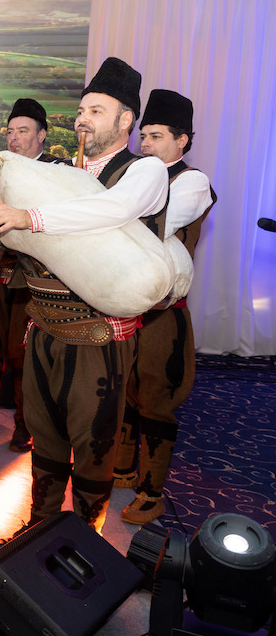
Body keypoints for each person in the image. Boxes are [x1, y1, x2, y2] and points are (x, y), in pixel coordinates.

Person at [0, 57, 168, 537]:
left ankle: (84, 544)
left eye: (97, 111)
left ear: (126, 121)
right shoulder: (58, 171)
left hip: (98, 335)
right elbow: (25, 240)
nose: (83, 119)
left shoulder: (144, 172)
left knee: (93, 444)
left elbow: (112, 209)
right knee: (44, 437)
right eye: (82, 110)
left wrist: (29, 216)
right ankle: (39, 533)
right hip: (43, 324)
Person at [113, 88, 215, 524]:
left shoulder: (192, 181)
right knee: (124, 389)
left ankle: (152, 492)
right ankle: (121, 469)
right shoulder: (137, 175)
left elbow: (155, 225)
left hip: (163, 312)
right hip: (126, 302)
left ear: (182, 140)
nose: (146, 144)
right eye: (144, 136)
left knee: (156, 397)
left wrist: (109, 218)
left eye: (156, 136)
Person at [0, 98, 61, 453]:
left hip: (31, 278)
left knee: (23, 355)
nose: (14, 138)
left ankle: (26, 424)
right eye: (10, 132)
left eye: (23, 131)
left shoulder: (56, 172)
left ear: (41, 135)